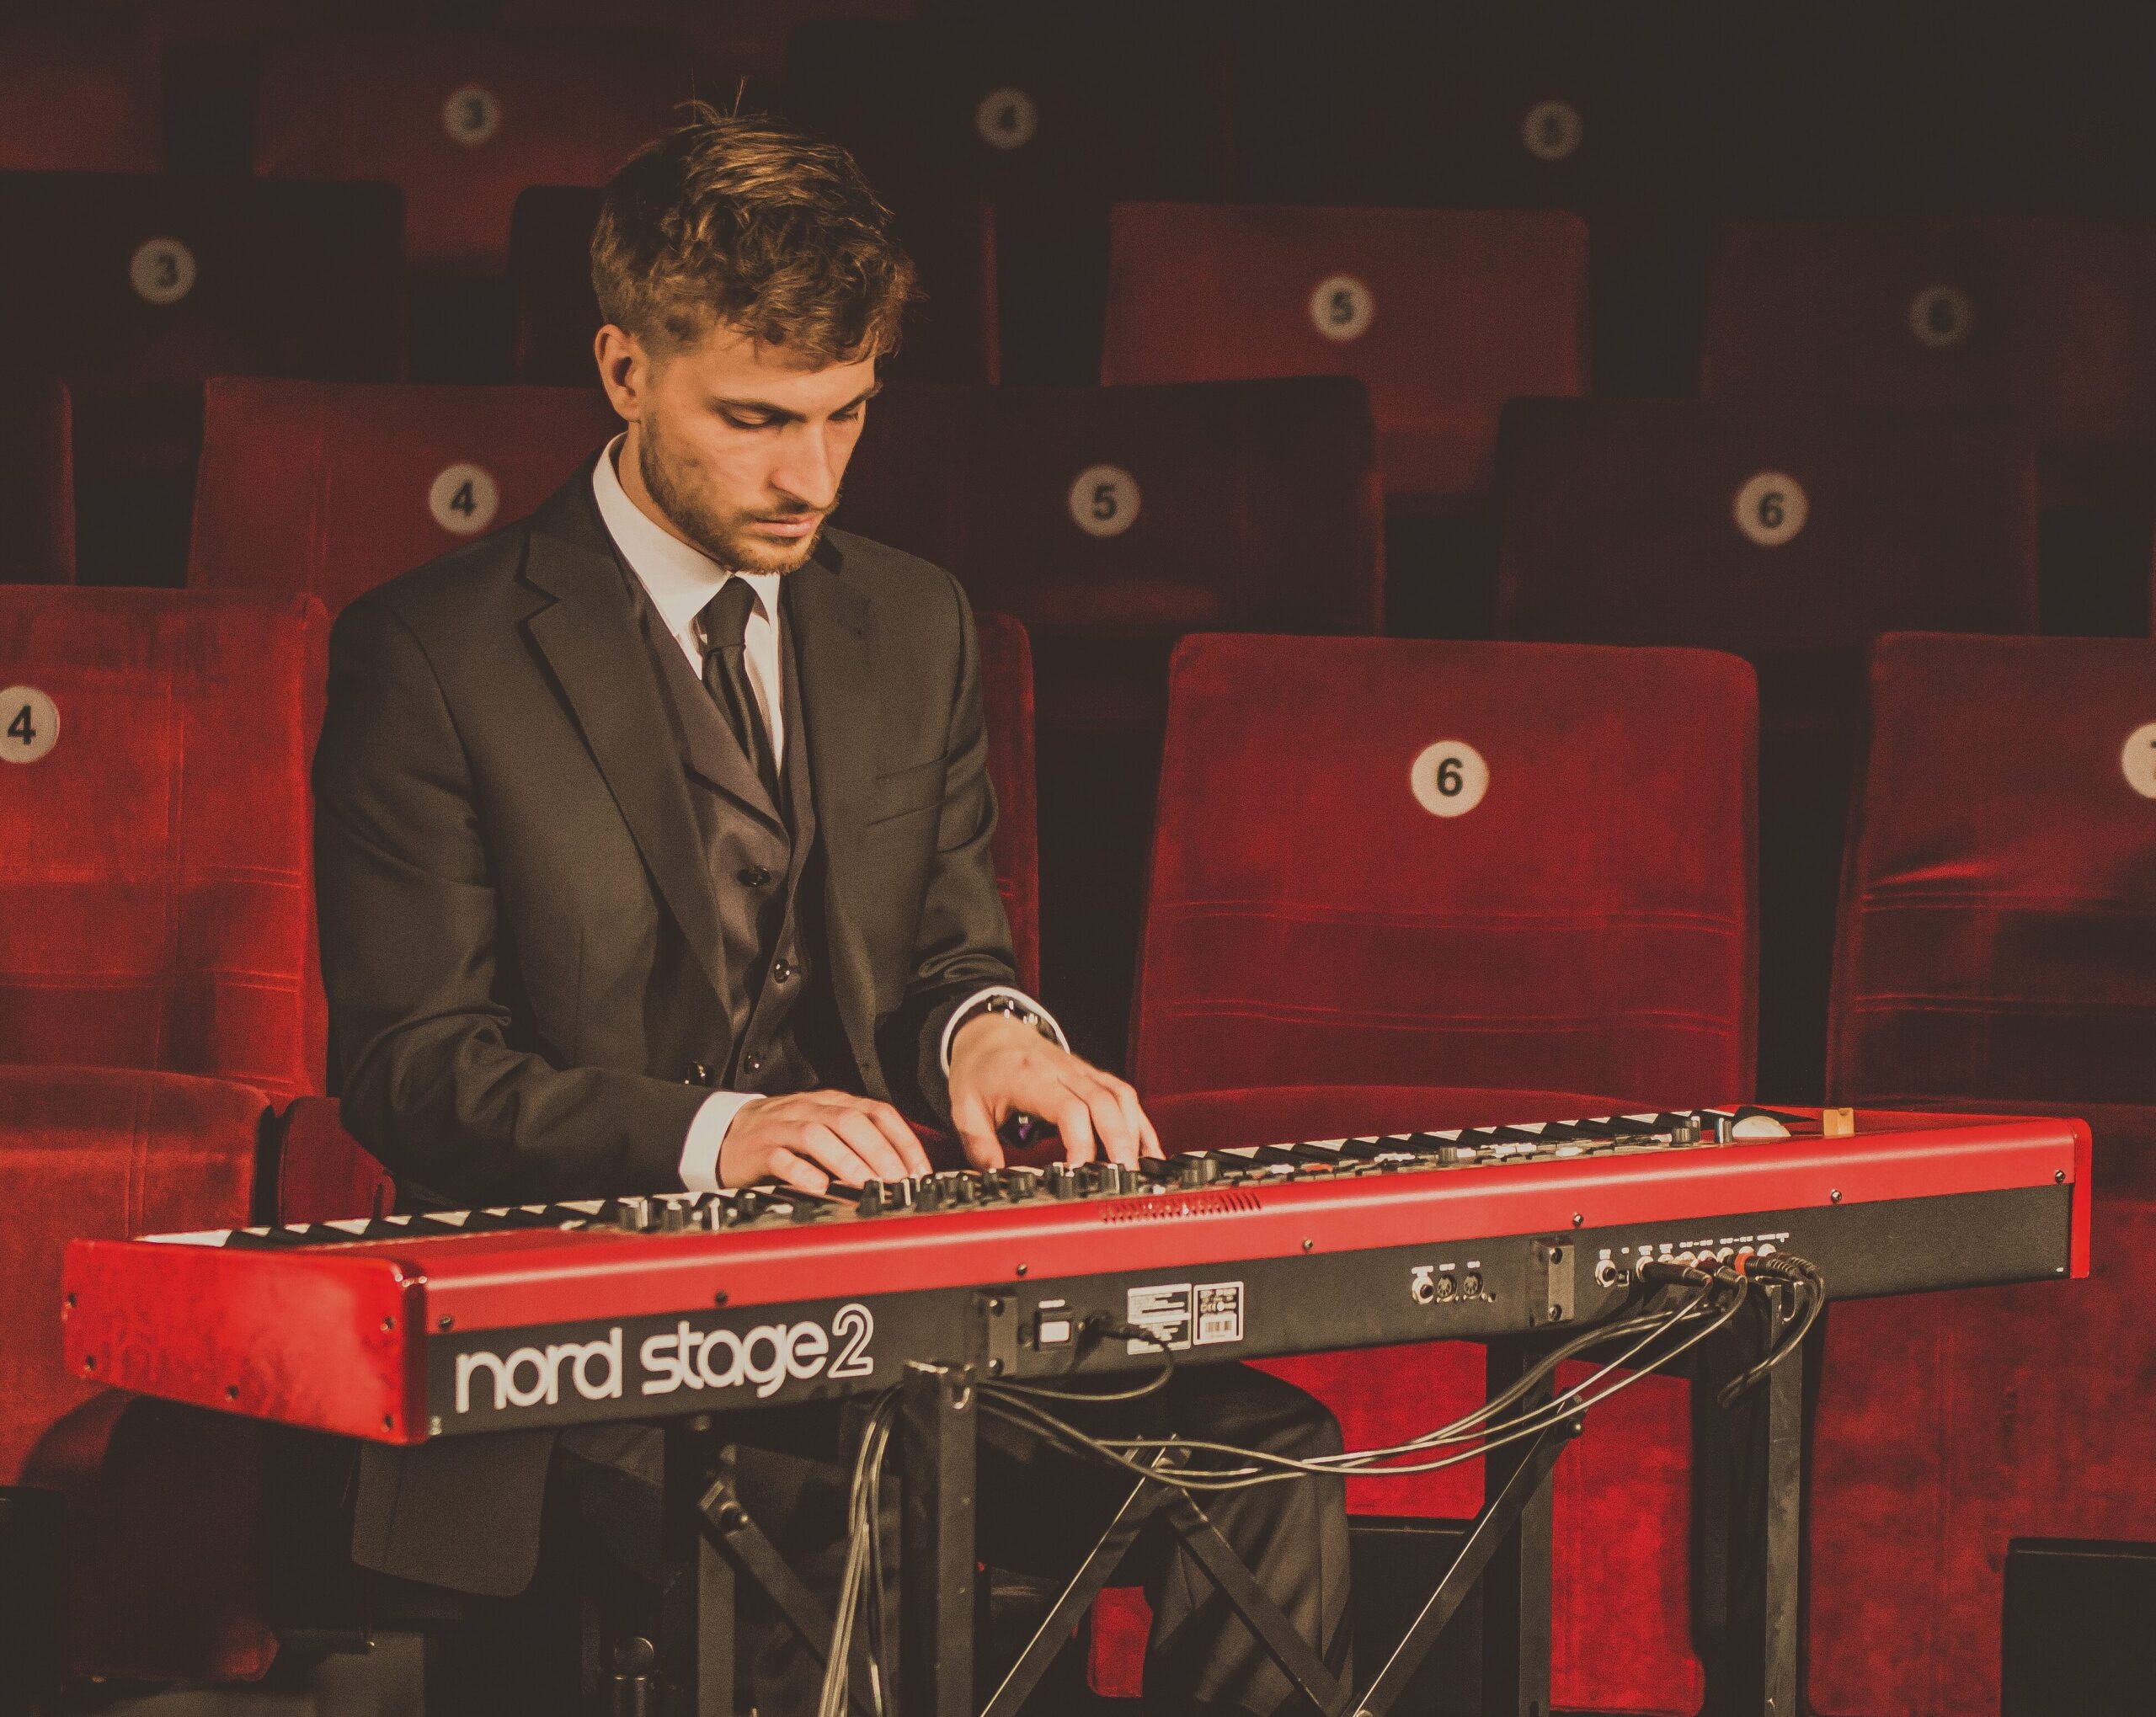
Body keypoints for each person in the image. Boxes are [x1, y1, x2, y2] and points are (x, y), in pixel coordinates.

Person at [312, 108, 1348, 1714]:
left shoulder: (912, 619)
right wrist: (719, 1133)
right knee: (815, 1523)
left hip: (892, 1323)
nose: (811, 475)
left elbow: (946, 952)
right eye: (754, 418)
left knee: (1261, 1462)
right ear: (622, 371)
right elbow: (412, 1066)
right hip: (590, 1366)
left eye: (847, 414)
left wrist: (991, 1036)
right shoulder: (434, 656)